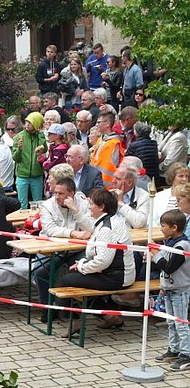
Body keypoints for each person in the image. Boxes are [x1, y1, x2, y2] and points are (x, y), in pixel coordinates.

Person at [56, 188, 135, 331]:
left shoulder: (107, 228)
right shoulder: (111, 220)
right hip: (117, 274)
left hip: (117, 277)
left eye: (91, 204)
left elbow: (102, 261)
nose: (89, 206)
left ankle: (75, 322)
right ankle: (110, 317)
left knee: (65, 280)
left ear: (101, 207)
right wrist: (82, 264)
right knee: (74, 277)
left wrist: (81, 266)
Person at [35, 175, 94, 319]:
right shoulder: (48, 205)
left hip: (78, 250)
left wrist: (76, 211)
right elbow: (50, 229)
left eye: (60, 193)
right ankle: (48, 308)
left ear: (71, 194)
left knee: (80, 271)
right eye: (55, 192)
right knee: (40, 272)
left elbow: (91, 227)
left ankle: (70, 307)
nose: (56, 196)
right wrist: (73, 233)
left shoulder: (84, 204)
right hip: (54, 250)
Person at [150, 209, 190, 370]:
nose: (161, 228)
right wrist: (162, 286)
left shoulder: (182, 246)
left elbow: (168, 267)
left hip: (180, 290)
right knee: (170, 322)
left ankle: (186, 354)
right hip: (169, 289)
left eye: (163, 225)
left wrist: (155, 254)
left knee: (180, 323)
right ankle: (174, 349)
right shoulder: (170, 243)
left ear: (174, 227)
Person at [12, 111, 47, 209]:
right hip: (22, 175)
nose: (27, 125)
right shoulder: (18, 137)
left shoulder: (40, 136)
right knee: (22, 203)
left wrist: (40, 134)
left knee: (38, 203)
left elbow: (44, 148)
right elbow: (15, 158)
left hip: (37, 175)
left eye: (30, 123)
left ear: (36, 124)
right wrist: (19, 149)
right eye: (26, 122)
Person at [90, 112, 124, 190]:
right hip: (96, 181)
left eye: (99, 122)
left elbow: (114, 164)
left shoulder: (114, 143)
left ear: (107, 124)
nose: (96, 125)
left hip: (107, 185)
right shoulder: (100, 139)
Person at [112, 162, 151, 230]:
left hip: (134, 237)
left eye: (118, 179)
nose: (113, 181)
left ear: (130, 182)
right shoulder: (110, 194)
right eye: (113, 177)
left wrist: (121, 204)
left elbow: (138, 223)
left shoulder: (144, 196)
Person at [38, 124, 70, 197]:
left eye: (50, 134)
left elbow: (52, 166)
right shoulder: (53, 148)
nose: (48, 136)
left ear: (57, 136)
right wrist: (42, 158)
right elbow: (50, 160)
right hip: (51, 178)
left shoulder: (60, 150)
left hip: (58, 180)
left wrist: (44, 162)